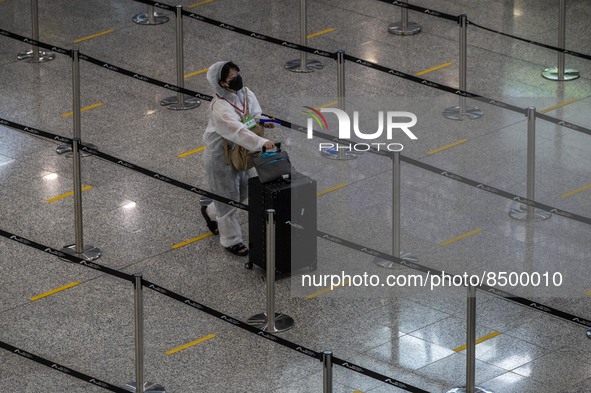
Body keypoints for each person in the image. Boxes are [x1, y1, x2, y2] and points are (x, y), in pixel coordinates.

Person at [201, 61, 275, 256]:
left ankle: (210, 211)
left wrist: (264, 121)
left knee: (242, 192)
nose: (238, 79)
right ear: (222, 83)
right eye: (232, 78)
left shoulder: (245, 94)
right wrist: (261, 143)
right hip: (221, 156)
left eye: (237, 74)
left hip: (242, 152)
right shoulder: (219, 107)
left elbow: (252, 116)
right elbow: (237, 131)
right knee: (228, 198)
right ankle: (231, 240)